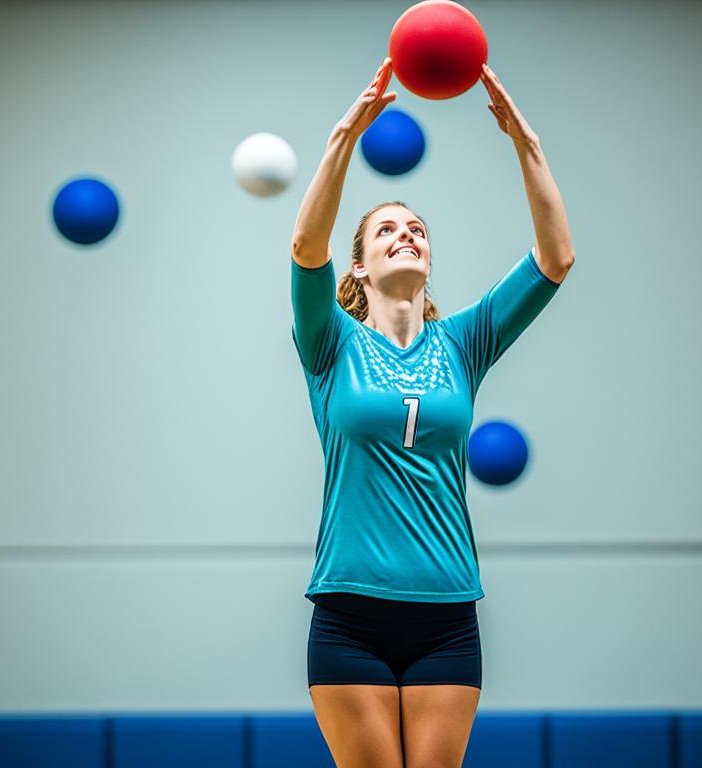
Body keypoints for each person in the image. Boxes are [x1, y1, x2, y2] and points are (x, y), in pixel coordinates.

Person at [289, 57, 574, 768]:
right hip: (349, 615)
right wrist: (343, 139)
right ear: (358, 265)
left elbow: (555, 258)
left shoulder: (464, 343)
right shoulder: (330, 343)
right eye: (385, 230)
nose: (405, 234)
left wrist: (525, 143)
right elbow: (304, 248)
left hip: (447, 614)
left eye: (416, 228)